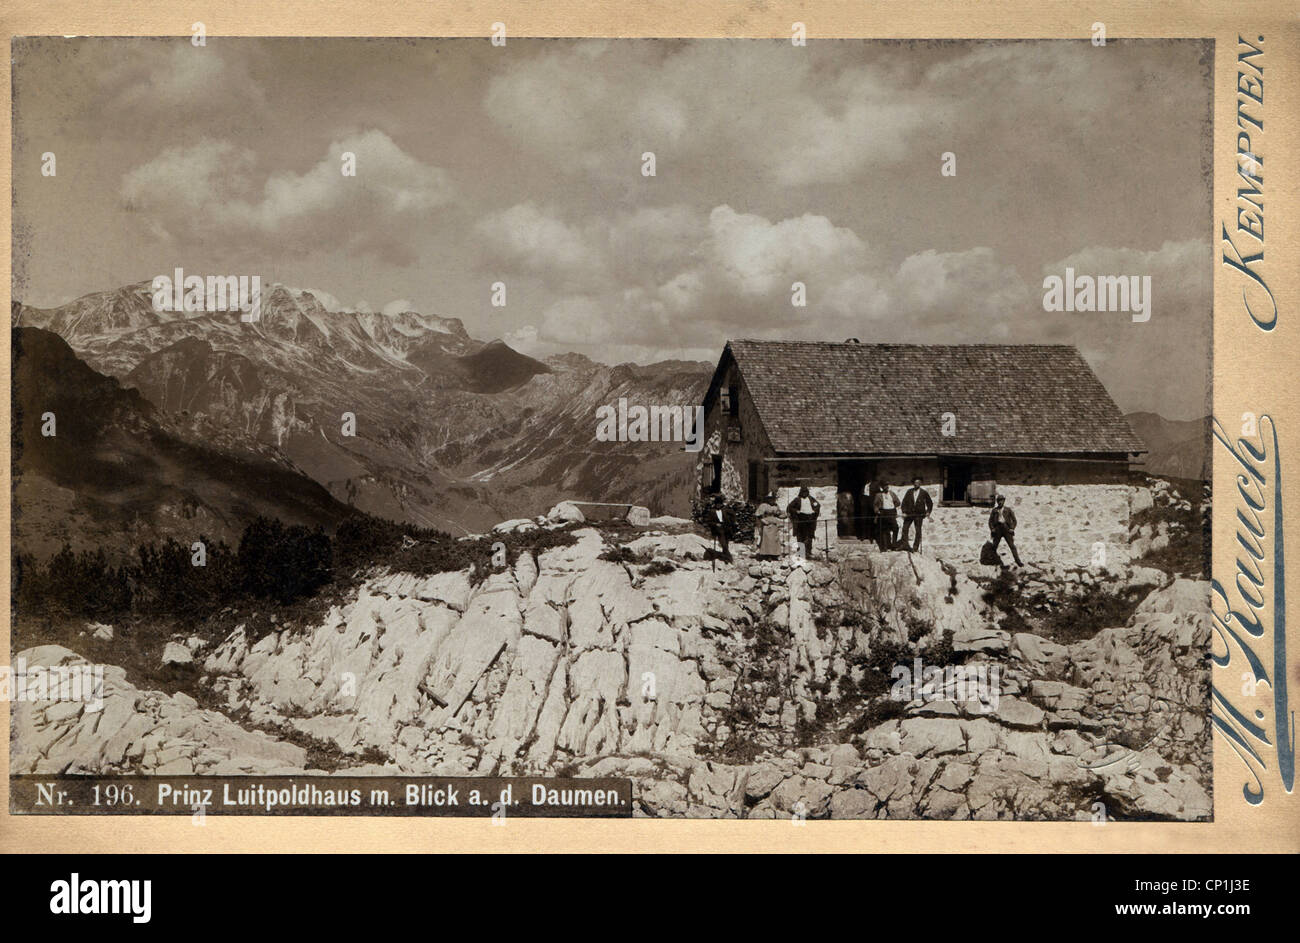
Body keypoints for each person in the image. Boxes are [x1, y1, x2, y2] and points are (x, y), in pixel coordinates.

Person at [786, 485, 821, 561]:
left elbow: (817, 505)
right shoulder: (797, 500)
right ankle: (801, 553)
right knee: (801, 536)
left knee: (809, 536)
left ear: (807, 492)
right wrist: (796, 511)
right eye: (803, 492)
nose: (804, 494)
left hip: (810, 520)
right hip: (801, 520)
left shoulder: (811, 499)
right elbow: (789, 507)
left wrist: (815, 511)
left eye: (806, 492)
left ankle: (808, 552)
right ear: (801, 492)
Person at [900, 476, 934, 552]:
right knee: (905, 529)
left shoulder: (924, 493)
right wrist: (904, 512)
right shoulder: (909, 492)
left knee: (918, 531)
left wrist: (928, 512)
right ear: (913, 483)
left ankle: (915, 547)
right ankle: (905, 545)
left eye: (918, 483)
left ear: (920, 483)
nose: (916, 484)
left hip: (919, 515)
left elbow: (930, 503)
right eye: (915, 482)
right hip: (909, 514)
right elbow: (904, 502)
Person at [988, 494, 1023, 567]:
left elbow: (1014, 520)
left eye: (1002, 500)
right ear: (997, 502)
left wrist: (1012, 528)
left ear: (1004, 501)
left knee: (1012, 546)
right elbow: (990, 521)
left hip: (1006, 529)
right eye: (999, 501)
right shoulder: (994, 510)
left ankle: (1018, 561)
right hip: (998, 529)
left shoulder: (1008, 509)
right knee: (994, 546)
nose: (1000, 502)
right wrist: (992, 529)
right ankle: (992, 560)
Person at [754, 491, 784, 559]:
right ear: (768, 499)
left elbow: (778, 514)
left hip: (774, 524)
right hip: (766, 524)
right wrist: (763, 521)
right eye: (771, 499)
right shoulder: (763, 505)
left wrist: (784, 515)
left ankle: (775, 554)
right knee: (767, 539)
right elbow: (758, 515)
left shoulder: (775, 505)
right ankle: (767, 555)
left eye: (774, 499)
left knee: (775, 539)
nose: (773, 500)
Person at [873, 482, 900, 551]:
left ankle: (893, 545)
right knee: (884, 530)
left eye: (887, 486)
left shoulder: (892, 493)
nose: (886, 487)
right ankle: (884, 547)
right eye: (884, 486)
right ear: (882, 487)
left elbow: (898, 502)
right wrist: (877, 511)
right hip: (883, 512)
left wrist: (893, 507)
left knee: (895, 528)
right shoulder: (878, 495)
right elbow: (875, 505)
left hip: (891, 512)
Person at [707, 493, 734, 563]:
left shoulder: (726, 509)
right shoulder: (712, 511)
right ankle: (729, 557)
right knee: (723, 544)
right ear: (715, 504)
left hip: (726, 528)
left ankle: (725, 557)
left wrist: (731, 523)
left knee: (726, 543)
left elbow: (733, 516)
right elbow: (709, 522)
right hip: (718, 529)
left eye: (720, 504)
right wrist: (716, 524)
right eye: (717, 504)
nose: (718, 505)